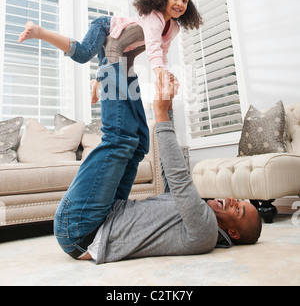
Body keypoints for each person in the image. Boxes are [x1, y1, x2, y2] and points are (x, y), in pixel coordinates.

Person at [53, 53, 262, 263]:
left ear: (233, 233)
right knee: (139, 144)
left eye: (239, 209)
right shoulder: (197, 219)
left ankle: (111, 56)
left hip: (82, 229)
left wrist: (160, 112)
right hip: (101, 217)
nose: (234, 201)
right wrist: (168, 110)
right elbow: (171, 177)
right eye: (240, 201)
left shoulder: (206, 231)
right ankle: (125, 63)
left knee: (120, 139)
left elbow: (179, 179)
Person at [17, 0, 202, 104]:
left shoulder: (174, 27)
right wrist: (159, 73)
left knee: (115, 66)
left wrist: (165, 72)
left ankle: (96, 83)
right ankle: (39, 32)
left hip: (119, 45)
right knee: (83, 54)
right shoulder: (154, 18)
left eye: (185, 0)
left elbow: (163, 51)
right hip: (106, 27)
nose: (180, 3)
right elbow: (153, 47)